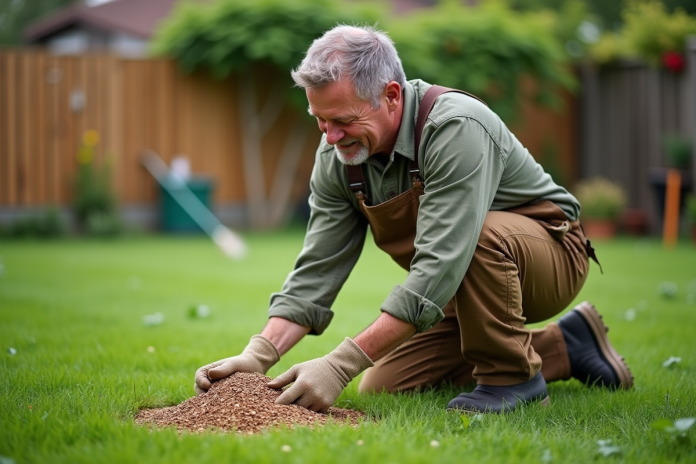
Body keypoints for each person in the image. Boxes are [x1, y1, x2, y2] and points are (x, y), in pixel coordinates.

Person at [194, 25, 633, 414]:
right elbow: (318, 267)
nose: (329, 137)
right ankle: (567, 345)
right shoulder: (338, 155)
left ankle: (511, 379)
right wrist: (259, 354)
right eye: (320, 120)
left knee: (478, 237)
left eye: (342, 120)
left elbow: (443, 261)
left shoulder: (456, 128)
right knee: (385, 387)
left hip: (548, 257)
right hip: (460, 285)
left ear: (391, 95)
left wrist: (339, 363)